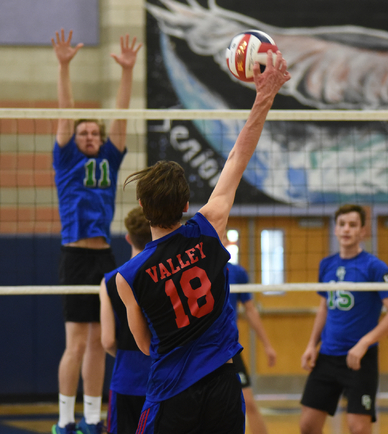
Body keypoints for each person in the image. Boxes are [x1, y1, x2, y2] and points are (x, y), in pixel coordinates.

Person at [115, 50, 290, 434]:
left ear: (142, 206)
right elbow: (237, 156)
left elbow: (144, 345)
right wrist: (265, 96)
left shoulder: (127, 276)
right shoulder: (208, 227)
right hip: (223, 384)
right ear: (186, 205)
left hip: (172, 390)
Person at [51, 29, 142, 434]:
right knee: (75, 342)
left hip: (104, 256)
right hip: (74, 255)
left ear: (102, 140)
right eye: (83, 132)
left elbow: (121, 116)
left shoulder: (110, 156)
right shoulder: (66, 155)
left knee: (96, 343)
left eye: (94, 133)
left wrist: (127, 73)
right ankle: (65, 420)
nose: (89, 136)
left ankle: (91, 418)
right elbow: (66, 110)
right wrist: (65, 65)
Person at [299, 204, 388, 434]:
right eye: (342, 224)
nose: (346, 229)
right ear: (335, 230)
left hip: (360, 359)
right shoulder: (326, 265)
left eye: (353, 225)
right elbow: (324, 307)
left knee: (358, 428)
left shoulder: (374, 267)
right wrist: (311, 344)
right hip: (327, 356)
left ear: (363, 232)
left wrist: (363, 343)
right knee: (307, 425)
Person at [100, 207, 152, 434]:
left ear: (128, 237)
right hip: (163, 378)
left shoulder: (109, 281)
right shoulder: (166, 274)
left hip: (126, 380)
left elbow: (108, 341)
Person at [226, 254, 277, 434]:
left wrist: (267, 345)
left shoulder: (237, 272)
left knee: (248, 402)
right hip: (201, 351)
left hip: (229, 350)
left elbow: (250, 310)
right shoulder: (192, 268)